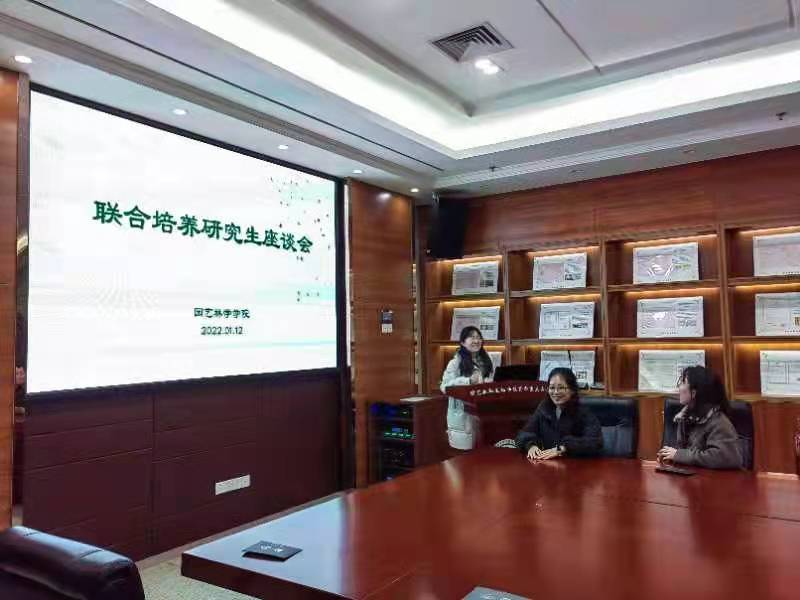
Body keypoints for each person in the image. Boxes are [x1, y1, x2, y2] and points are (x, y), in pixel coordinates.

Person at [656, 366, 741, 470]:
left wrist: (679, 455)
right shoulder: (685, 416)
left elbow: (724, 458)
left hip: (716, 479)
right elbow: (684, 450)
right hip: (693, 476)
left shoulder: (719, 423)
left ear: (694, 393)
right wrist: (670, 456)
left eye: (683, 383)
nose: (679, 388)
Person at [515, 367, 603, 460]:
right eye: (552, 388)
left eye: (561, 388)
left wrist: (564, 448)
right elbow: (524, 434)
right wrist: (530, 445)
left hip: (576, 464)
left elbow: (595, 442)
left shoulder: (583, 412)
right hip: (548, 463)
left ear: (572, 390)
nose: (556, 392)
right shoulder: (544, 408)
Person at [440, 326, 494, 450]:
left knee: (485, 454)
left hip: (484, 412)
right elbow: (445, 386)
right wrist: (468, 381)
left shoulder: (487, 359)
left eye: (478, 337)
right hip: (463, 415)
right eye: (472, 337)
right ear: (463, 342)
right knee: (466, 456)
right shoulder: (455, 362)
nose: (476, 341)